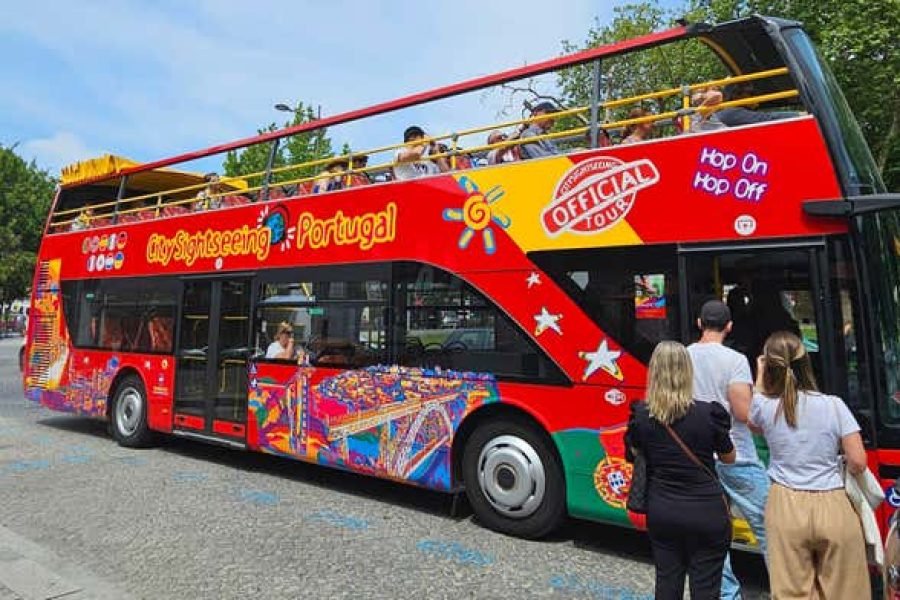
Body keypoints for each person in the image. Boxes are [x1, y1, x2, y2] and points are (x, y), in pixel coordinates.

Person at [745, 331, 869, 598]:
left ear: (769, 365)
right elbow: (858, 461)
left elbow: (752, 420)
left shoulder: (765, 408)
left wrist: (760, 374)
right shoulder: (834, 405)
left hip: (785, 504)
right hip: (833, 502)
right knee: (846, 590)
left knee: (791, 591)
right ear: (806, 363)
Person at [626, 341, 735, 599]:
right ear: (687, 372)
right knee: (706, 588)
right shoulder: (708, 414)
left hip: (663, 510)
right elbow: (729, 457)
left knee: (667, 583)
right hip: (707, 511)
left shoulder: (641, 415)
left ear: (653, 372)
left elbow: (634, 453)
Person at [686, 299, 767, 600]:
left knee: (711, 532)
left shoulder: (684, 356)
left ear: (699, 323)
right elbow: (745, 413)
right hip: (737, 455)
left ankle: (727, 594)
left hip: (698, 456)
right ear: (729, 326)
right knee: (770, 525)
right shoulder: (734, 360)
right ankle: (790, 589)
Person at [716, 82, 800, 127]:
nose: (756, 97)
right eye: (751, 93)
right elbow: (766, 119)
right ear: (736, 96)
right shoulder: (732, 112)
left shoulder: (728, 112)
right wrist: (800, 115)